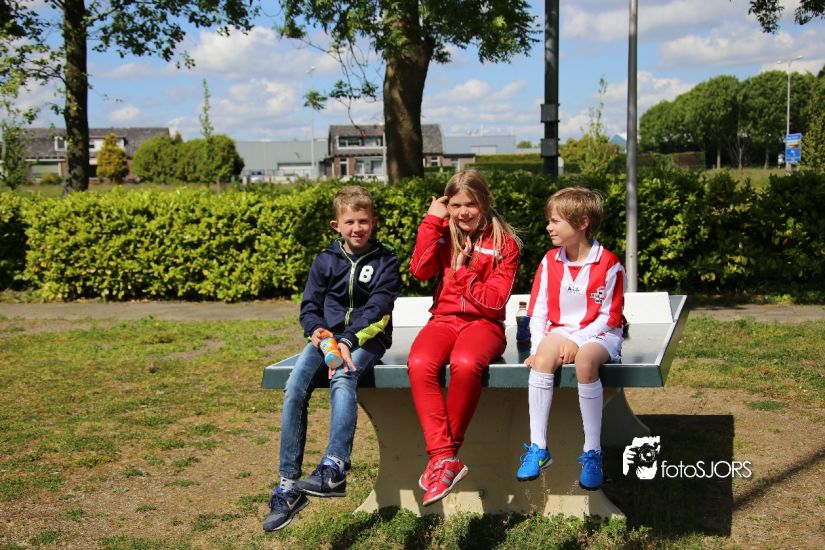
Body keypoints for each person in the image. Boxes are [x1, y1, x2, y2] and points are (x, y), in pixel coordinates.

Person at [263, 185, 400, 531]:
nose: (357, 228)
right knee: (295, 388)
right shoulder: (325, 259)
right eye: (349, 222)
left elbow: (379, 308)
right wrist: (317, 331)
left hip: (367, 338)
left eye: (363, 221)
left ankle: (335, 467)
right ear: (336, 225)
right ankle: (288, 487)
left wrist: (349, 340)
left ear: (374, 222)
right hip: (327, 340)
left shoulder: (386, 259)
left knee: (343, 376)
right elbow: (310, 305)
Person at [407, 169, 521, 506]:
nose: (463, 212)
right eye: (455, 205)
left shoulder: (505, 244)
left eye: (470, 204)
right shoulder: (442, 232)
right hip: (443, 320)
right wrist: (431, 221)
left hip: (484, 325)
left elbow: (495, 301)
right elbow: (419, 270)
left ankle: (443, 458)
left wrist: (462, 274)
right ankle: (445, 459)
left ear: (485, 201)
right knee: (420, 362)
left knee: (466, 362)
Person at [516, 186, 625, 491]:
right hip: (561, 329)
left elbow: (610, 317)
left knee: (586, 362)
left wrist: (577, 341)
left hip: (601, 332)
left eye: (555, 221)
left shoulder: (610, 264)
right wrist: (538, 347)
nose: (548, 227)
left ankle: (592, 452)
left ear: (583, 222)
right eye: (549, 221)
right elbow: (538, 310)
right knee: (542, 361)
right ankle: (539, 448)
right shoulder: (549, 261)